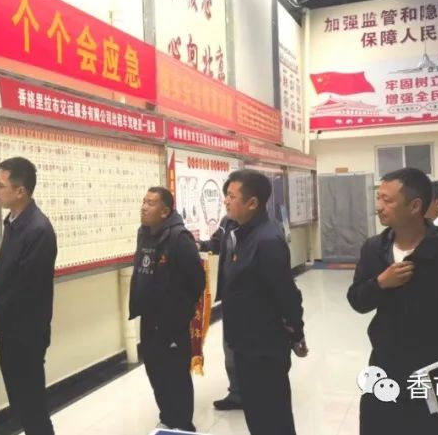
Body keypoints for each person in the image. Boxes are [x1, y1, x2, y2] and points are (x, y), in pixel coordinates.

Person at [348, 168, 438, 435]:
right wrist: (380, 284)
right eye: (378, 198)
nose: (379, 207)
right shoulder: (374, 249)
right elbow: (357, 300)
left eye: (387, 200)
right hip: (385, 367)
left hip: (435, 373)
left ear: (414, 206)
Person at [220, 170, 307, 434]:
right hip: (246, 344)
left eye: (232, 196)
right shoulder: (243, 233)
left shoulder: (266, 240)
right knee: (258, 417)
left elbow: (286, 293)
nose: (226, 201)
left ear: (252, 203)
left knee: (272, 418)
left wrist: (297, 333)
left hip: (264, 348)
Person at [0, 157, 57, 435]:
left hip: (27, 334)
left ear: (20, 191)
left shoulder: (38, 230)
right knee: (22, 406)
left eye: (1, 186)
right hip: (10, 331)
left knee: (33, 410)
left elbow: (25, 290)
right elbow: (3, 274)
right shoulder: (13, 223)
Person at [131, 187, 205, 431]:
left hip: (172, 322)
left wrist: (180, 312)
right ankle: (168, 417)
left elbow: (197, 281)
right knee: (155, 371)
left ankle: (183, 425)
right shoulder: (144, 233)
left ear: (164, 211)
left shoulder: (179, 238)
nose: (143, 207)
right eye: (144, 201)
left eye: (150, 203)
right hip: (149, 318)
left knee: (175, 375)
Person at [199, 216, 245, 411]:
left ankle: (254, 392)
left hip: (250, 299)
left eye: (231, 199)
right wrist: (199, 245)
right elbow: (216, 243)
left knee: (248, 348)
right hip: (230, 297)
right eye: (226, 199)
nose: (226, 202)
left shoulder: (260, 229)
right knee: (230, 347)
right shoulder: (227, 223)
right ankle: (236, 393)